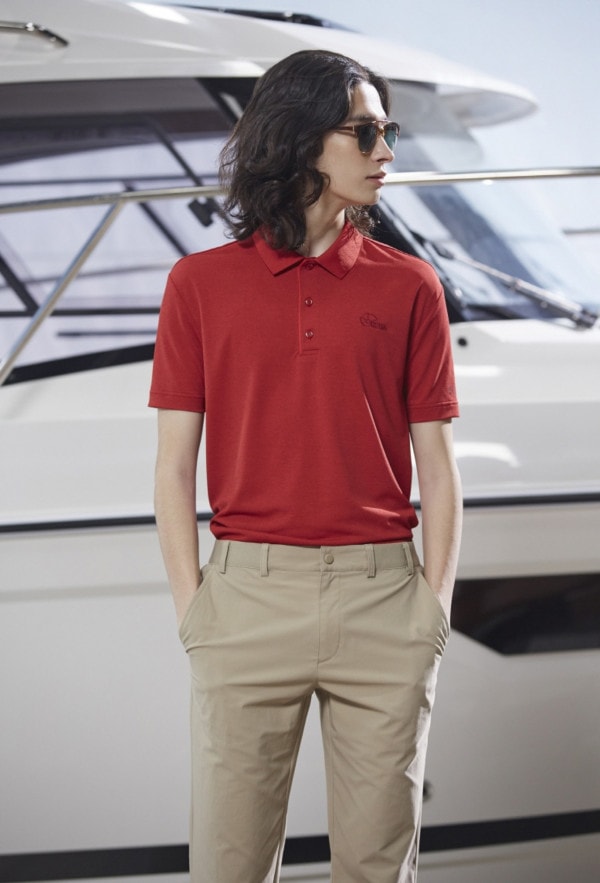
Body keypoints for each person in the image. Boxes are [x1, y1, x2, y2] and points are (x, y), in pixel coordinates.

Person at [150, 49, 462, 883]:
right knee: (229, 867)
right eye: (364, 132)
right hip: (244, 603)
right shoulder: (197, 285)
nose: (385, 151)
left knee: (377, 869)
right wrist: (195, 611)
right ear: (299, 139)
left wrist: (432, 610)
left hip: (384, 602)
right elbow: (174, 466)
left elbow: (437, 465)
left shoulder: (412, 287)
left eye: (387, 131)